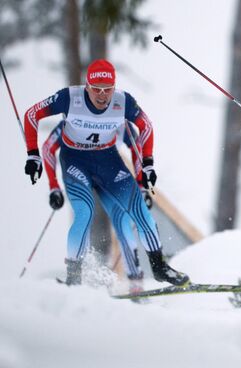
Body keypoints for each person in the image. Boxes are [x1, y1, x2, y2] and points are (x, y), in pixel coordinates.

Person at [23, 59, 189, 287]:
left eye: (108, 90)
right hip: (75, 161)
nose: (102, 96)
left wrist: (147, 167)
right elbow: (32, 115)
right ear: (87, 86)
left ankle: (158, 269)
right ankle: (74, 277)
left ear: (114, 87)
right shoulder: (70, 98)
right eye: (97, 90)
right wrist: (34, 157)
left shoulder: (123, 102)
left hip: (108, 161)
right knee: (84, 213)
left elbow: (146, 128)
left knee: (139, 211)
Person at [43, 120, 151, 292]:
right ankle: (83, 277)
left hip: (110, 175)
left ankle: (134, 281)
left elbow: (137, 146)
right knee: (90, 221)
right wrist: (54, 187)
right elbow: (48, 147)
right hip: (83, 177)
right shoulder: (74, 117)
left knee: (122, 220)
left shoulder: (115, 116)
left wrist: (140, 186)